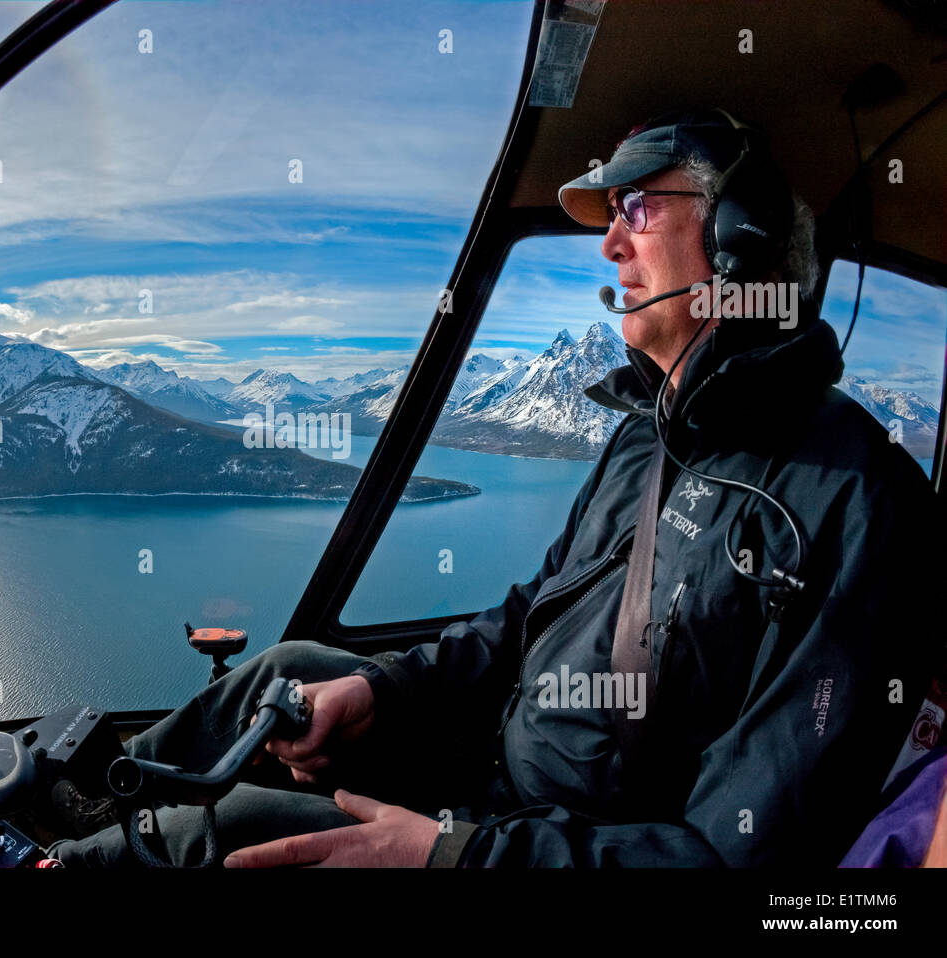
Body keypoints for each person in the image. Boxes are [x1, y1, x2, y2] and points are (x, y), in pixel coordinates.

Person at [48, 109, 941, 867]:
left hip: (563, 842)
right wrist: (386, 693)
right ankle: (59, 825)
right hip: (497, 778)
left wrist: (454, 854)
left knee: (213, 835)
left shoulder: (854, 503)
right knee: (282, 679)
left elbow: (735, 857)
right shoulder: (648, 438)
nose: (612, 242)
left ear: (738, 237)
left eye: (637, 205)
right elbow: (527, 619)